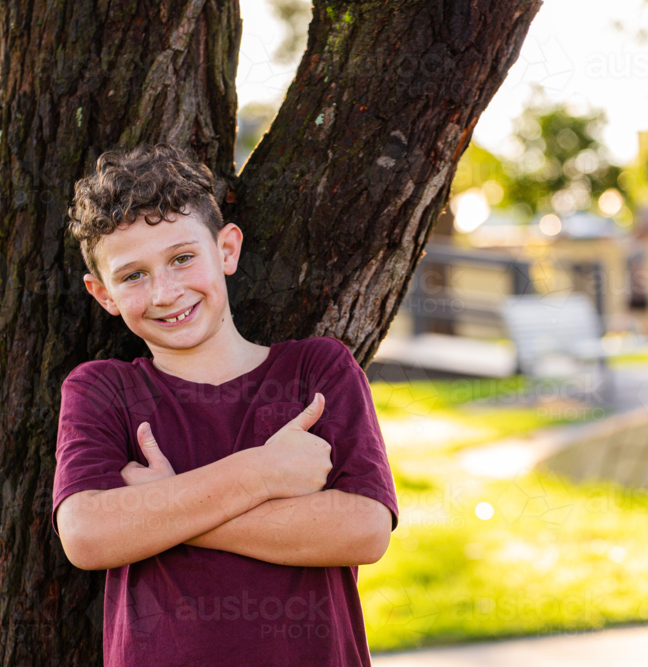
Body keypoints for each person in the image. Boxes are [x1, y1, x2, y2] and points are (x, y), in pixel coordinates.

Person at [52, 143, 399, 667]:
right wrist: (263, 473)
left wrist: (163, 506)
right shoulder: (102, 390)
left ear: (227, 251)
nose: (166, 292)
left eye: (183, 258)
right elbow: (88, 535)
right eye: (133, 275)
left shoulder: (316, 372)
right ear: (104, 294)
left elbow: (363, 530)